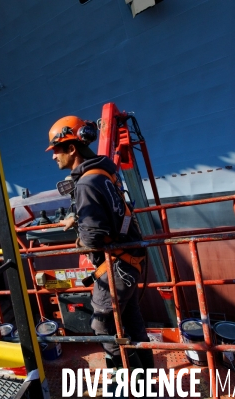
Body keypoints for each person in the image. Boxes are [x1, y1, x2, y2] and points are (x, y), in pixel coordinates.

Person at [46, 115, 154, 371]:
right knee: (133, 322)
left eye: (56, 150)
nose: (53, 157)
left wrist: (80, 236)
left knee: (102, 326)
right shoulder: (102, 175)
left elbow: (93, 236)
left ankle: (130, 378)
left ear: (72, 148)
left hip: (115, 268)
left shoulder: (85, 183)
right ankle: (147, 379)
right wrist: (77, 215)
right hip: (130, 261)